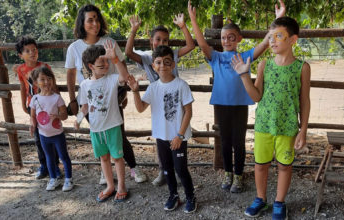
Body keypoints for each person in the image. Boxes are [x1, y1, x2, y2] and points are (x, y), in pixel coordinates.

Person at [187, 0, 285, 193]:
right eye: (224, 38)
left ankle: (239, 176)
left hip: (240, 105)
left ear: (239, 39)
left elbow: (265, 43)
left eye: (231, 37)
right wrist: (193, 20)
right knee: (225, 141)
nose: (226, 41)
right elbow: (202, 43)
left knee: (239, 141)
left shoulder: (246, 55)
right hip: (221, 106)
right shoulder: (215, 57)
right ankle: (228, 173)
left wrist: (278, 18)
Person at [231, 17, 311, 220]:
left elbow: (304, 100)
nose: (273, 41)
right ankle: (260, 198)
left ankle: (279, 202)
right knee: (260, 164)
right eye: (270, 36)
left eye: (278, 36)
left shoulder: (302, 67)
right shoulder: (264, 64)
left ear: (293, 40)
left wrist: (303, 129)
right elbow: (256, 95)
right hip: (264, 125)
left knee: (284, 165)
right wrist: (243, 76)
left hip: (288, 127)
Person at [65, 4, 146, 184]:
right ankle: (107, 171)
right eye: (90, 20)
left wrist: (124, 94)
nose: (95, 23)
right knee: (100, 133)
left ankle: (133, 166)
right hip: (89, 98)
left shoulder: (109, 42)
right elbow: (70, 75)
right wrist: (72, 100)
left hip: (113, 96)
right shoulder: (74, 48)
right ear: (82, 23)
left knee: (118, 134)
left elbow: (122, 69)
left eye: (97, 19)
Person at [125, 14, 195, 186]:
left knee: (177, 134)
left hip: (176, 98)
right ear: (151, 40)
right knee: (162, 138)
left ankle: (179, 172)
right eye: (158, 39)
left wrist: (183, 26)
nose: (161, 43)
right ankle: (164, 172)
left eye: (165, 40)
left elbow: (191, 45)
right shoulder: (148, 58)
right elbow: (128, 52)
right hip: (157, 97)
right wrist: (134, 30)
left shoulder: (173, 55)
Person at [128, 45, 196, 213]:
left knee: (180, 169)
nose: (162, 66)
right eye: (158, 62)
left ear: (173, 65)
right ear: (153, 66)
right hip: (161, 137)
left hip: (178, 137)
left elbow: (188, 112)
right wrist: (135, 91)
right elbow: (140, 108)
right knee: (167, 169)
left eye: (167, 62)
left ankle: (190, 196)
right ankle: (173, 195)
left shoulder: (181, 85)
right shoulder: (153, 87)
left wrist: (179, 135)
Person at [75, 41, 129, 202]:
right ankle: (110, 186)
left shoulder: (111, 79)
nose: (106, 65)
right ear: (90, 66)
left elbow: (124, 77)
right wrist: (78, 120)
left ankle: (121, 186)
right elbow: (84, 107)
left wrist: (115, 60)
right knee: (104, 158)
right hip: (96, 130)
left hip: (112, 127)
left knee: (117, 158)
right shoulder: (84, 85)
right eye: (101, 64)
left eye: (106, 61)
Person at [14, 36, 61, 180]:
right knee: (38, 137)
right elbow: (23, 87)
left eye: (34, 50)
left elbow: (53, 84)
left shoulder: (44, 67)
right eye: (28, 51)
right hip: (33, 107)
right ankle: (43, 166)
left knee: (52, 134)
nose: (32, 53)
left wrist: (59, 103)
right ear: (21, 55)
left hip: (48, 105)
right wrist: (24, 104)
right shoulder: (21, 69)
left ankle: (55, 166)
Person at [29, 66, 73, 192]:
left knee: (63, 156)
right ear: (36, 83)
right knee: (49, 157)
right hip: (43, 135)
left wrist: (58, 116)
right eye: (42, 79)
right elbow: (32, 115)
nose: (46, 82)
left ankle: (69, 179)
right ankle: (53, 178)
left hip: (57, 134)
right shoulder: (35, 99)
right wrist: (32, 125)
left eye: (49, 79)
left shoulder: (57, 98)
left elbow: (64, 116)